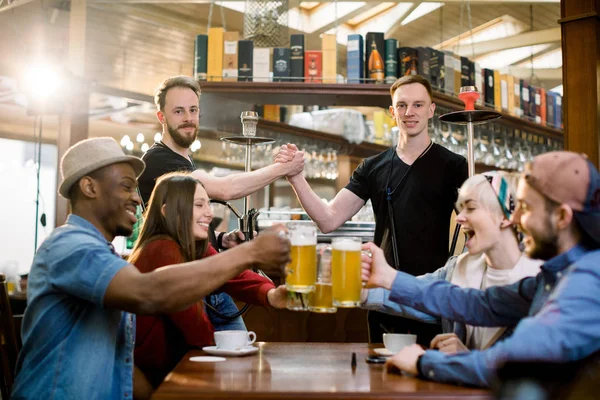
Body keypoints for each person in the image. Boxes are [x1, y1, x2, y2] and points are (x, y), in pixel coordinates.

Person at [11, 137, 291, 399]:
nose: (136, 197)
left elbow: (123, 367)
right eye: (125, 186)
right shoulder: (71, 246)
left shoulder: (102, 253)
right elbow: (149, 293)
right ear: (89, 187)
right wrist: (250, 252)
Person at [361, 151, 600, 388]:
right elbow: (479, 304)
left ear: (561, 217)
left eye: (525, 208)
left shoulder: (587, 283)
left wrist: (424, 362)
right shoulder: (556, 276)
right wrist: (388, 278)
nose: (514, 218)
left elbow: (513, 363)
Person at [276, 75, 468, 344]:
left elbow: (475, 222)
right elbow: (328, 220)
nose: (409, 112)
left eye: (418, 105)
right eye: (401, 105)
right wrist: (296, 178)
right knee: (382, 379)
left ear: (431, 110)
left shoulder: (455, 165)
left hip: (429, 296)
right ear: (392, 112)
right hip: (382, 295)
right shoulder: (372, 167)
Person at [138, 75, 303, 330]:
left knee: (233, 358)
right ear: (162, 117)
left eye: (193, 110)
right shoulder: (159, 160)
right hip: (184, 283)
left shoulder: (181, 161)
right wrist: (282, 169)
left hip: (207, 276)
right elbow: (225, 190)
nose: (188, 118)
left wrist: (222, 238)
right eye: (178, 111)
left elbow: (184, 227)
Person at [129, 172, 288, 388]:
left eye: (208, 205)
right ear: (168, 212)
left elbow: (234, 274)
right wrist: (228, 348)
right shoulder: (162, 249)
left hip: (173, 369)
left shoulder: (191, 246)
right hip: (158, 379)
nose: (209, 214)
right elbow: (196, 330)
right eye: (199, 205)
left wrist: (270, 294)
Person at [362, 172, 541, 353]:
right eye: (460, 209)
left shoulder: (543, 281)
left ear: (505, 215)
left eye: (470, 208)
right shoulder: (457, 267)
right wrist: (360, 289)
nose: (459, 218)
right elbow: (420, 296)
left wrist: (466, 357)